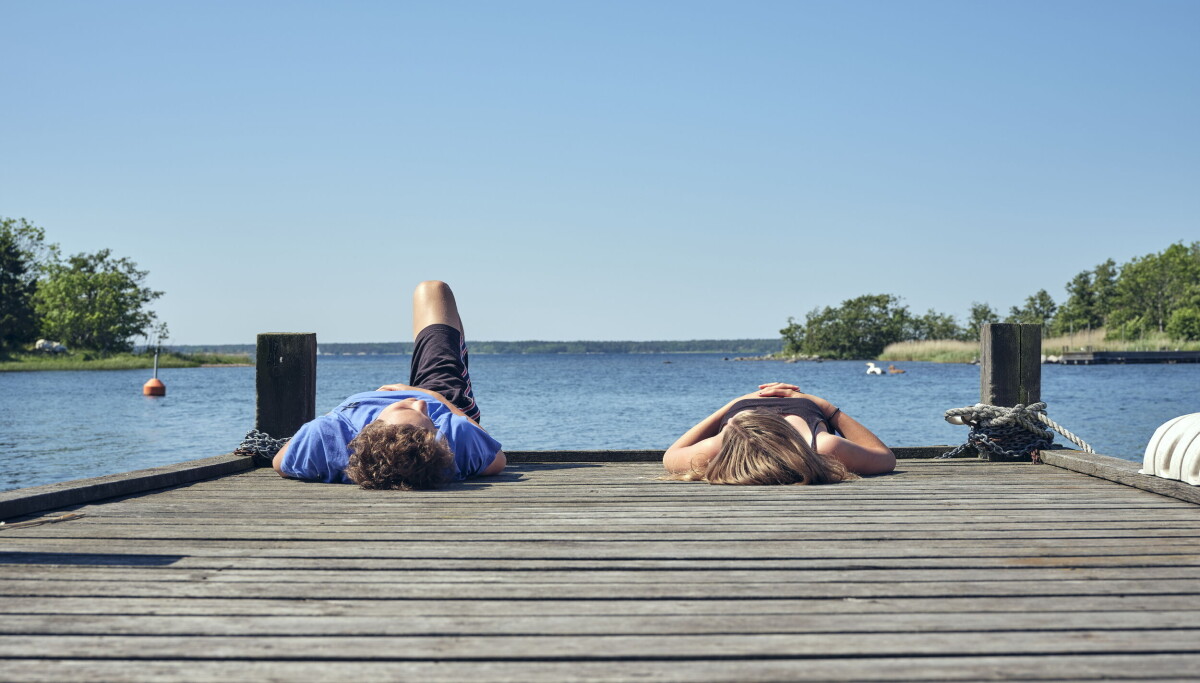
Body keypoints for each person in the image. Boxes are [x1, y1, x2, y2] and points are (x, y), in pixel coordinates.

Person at [272, 280, 506, 489]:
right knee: (433, 290)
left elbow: (279, 463)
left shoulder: (326, 436)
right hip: (442, 394)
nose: (419, 405)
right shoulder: (452, 440)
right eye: (430, 422)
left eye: (405, 409)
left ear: (368, 431)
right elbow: (498, 459)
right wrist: (439, 399)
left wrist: (335, 415)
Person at [663, 382, 894, 485]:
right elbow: (885, 457)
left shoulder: (717, 449)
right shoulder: (821, 448)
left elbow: (670, 455)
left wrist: (734, 402)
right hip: (787, 409)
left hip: (746, 411)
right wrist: (825, 407)